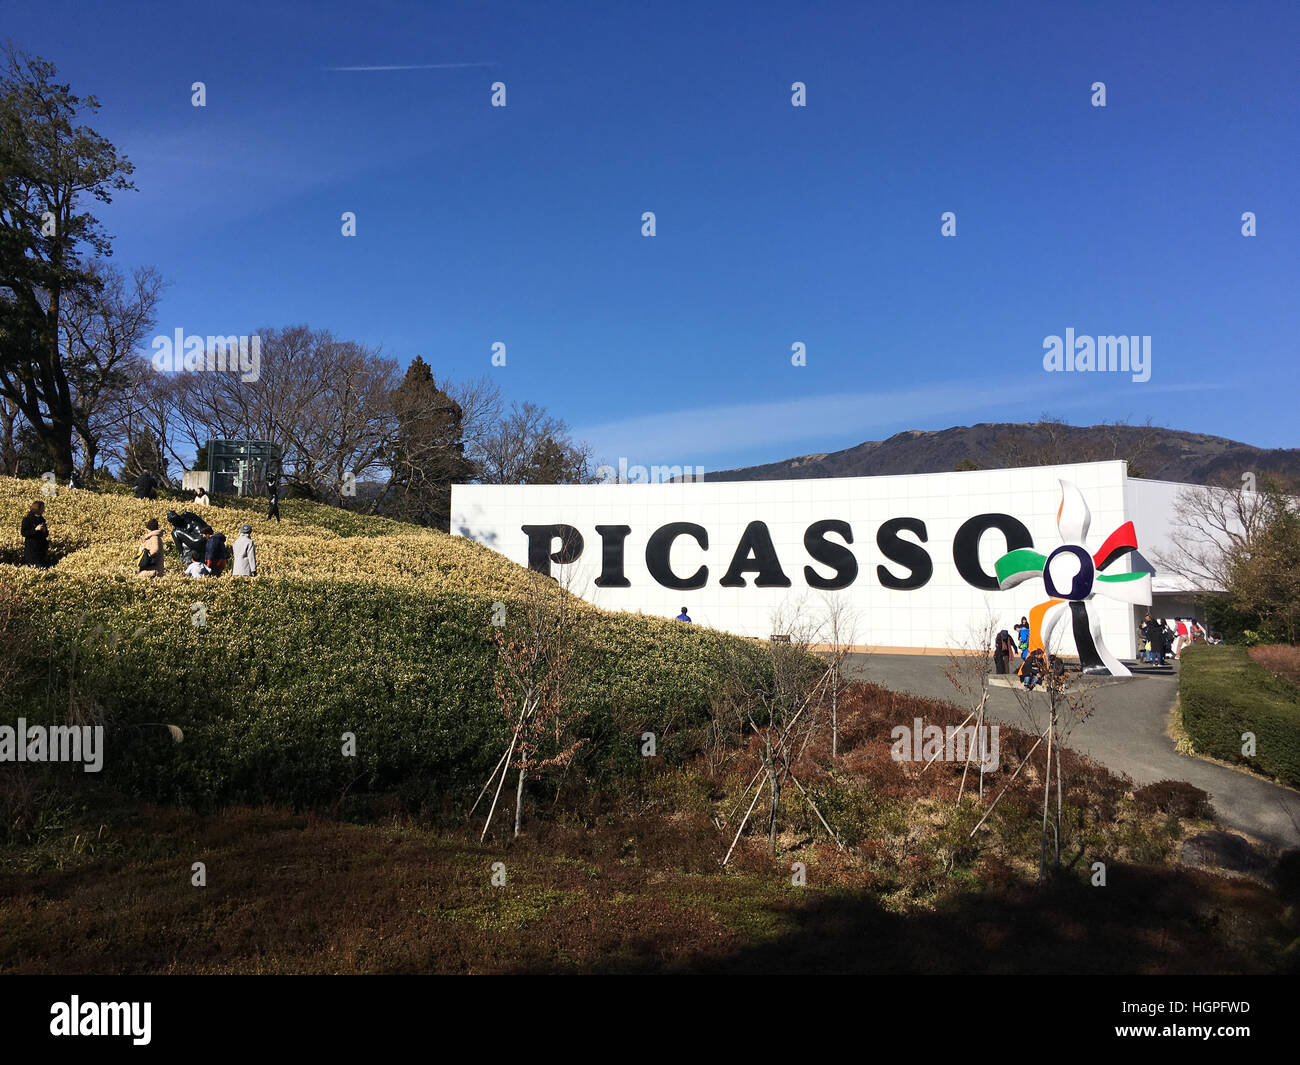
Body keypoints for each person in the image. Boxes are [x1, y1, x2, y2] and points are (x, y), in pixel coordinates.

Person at [20, 500, 50, 568]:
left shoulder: (42, 519)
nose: (44, 510)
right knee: (35, 567)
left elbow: (46, 535)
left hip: (41, 549)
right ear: (37, 509)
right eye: (42, 508)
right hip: (32, 549)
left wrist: (44, 531)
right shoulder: (27, 519)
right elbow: (23, 532)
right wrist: (35, 530)